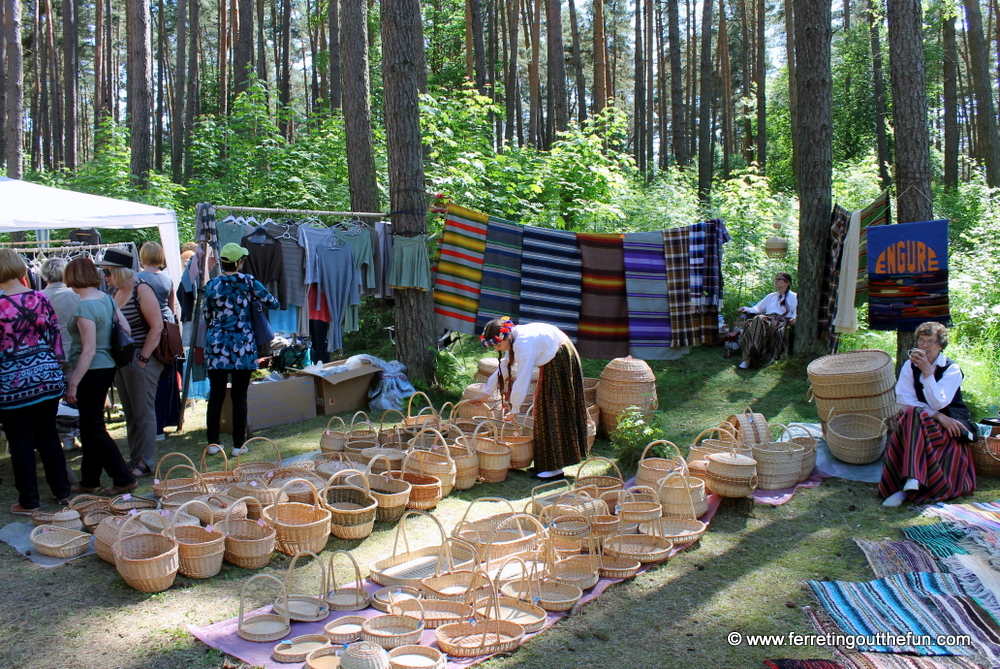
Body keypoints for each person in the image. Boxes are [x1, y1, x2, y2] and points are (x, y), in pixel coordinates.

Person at [0, 249, 72, 514]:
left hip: (12, 383)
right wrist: (58, 370)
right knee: (47, 435)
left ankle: (29, 501)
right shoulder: (39, 298)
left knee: (20, 442)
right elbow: (55, 337)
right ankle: (62, 492)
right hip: (46, 377)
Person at [472, 317, 588, 479]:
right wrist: (486, 393)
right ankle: (547, 464)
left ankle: (555, 469)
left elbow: (522, 378)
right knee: (544, 411)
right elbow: (505, 366)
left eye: (498, 344)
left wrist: (515, 409)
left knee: (551, 410)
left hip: (560, 357)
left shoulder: (523, 344)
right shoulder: (513, 338)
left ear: (506, 336)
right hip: (553, 356)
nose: (497, 349)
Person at [879, 322, 977, 507]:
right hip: (929, 420)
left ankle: (907, 486)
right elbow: (903, 400)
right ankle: (912, 478)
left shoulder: (951, 369)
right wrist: (936, 415)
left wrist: (927, 372)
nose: (925, 346)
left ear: (941, 345)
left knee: (914, 415)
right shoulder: (909, 365)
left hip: (948, 425)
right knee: (912, 414)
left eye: (930, 341)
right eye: (922, 341)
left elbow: (939, 402)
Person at [63, 256, 137, 496]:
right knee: (90, 425)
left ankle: (123, 478)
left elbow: (89, 349)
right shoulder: (106, 298)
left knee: (93, 427)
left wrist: (73, 382)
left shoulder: (85, 306)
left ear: (72, 277)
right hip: (106, 367)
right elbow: (125, 329)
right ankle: (89, 480)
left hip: (91, 369)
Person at [203, 242, 279, 456]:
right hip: (242, 346)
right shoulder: (249, 281)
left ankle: (213, 443)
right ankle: (238, 445)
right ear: (238, 262)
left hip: (216, 344)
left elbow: (207, 314)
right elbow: (272, 302)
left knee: (216, 395)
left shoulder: (213, 284)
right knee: (239, 395)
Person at [100, 248, 165, 478]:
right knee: (131, 413)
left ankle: (145, 461)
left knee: (143, 412)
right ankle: (135, 458)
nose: (104, 276)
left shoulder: (141, 289)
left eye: (107, 271)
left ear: (119, 270)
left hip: (140, 359)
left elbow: (157, 326)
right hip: (123, 361)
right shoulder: (116, 291)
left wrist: (143, 358)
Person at [136, 241, 181, 442]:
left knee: (148, 381)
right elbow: (172, 308)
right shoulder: (167, 279)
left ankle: (154, 428)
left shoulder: (137, 279)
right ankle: (165, 422)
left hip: (149, 331)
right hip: (168, 331)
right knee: (165, 379)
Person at [736, 272, 798, 369]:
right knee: (751, 323)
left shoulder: (794, 297)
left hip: (780, 322)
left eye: (779, 279)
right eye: (775, 279)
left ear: (787, 283)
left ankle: (749, 357)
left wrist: (794, 319)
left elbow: (796, 312)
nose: (776, 281)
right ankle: (752, 352)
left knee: (759, 319)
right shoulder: (771, 296)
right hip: (766, 320)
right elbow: (756, 309)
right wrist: (745, 309)